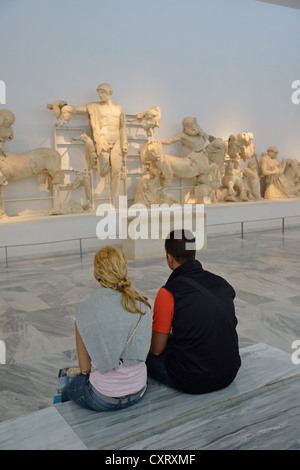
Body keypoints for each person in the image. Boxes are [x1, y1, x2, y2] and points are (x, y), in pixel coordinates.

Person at [146, 229, 241, 394]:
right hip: (230, 372)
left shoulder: (168, 293)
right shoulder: (221, 283)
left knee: (139, 354)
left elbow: (156, 349)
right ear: (194, 252)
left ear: (169, 257)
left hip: (193, 379)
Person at [61, 246, 152, 411]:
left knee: (67, 391)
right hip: (140, 389)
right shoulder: (142, 304)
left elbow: (85, 368)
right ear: (124, 270)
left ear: (96, 275)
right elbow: (142, 354)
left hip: (104, 397)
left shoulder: (84, 311)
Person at [60, 83, 128, 198]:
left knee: (116, 171)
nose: (100, 96)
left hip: (117, 141)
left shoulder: (119, 109)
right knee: (103, 172)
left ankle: (113, 197)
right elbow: (81, 109)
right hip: (103, 140)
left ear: (110, 93)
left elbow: (122, 127)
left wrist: (124, 142)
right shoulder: (94, 106)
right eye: (99, 93)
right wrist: (70, 108)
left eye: (102, 93)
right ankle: (107, 194)